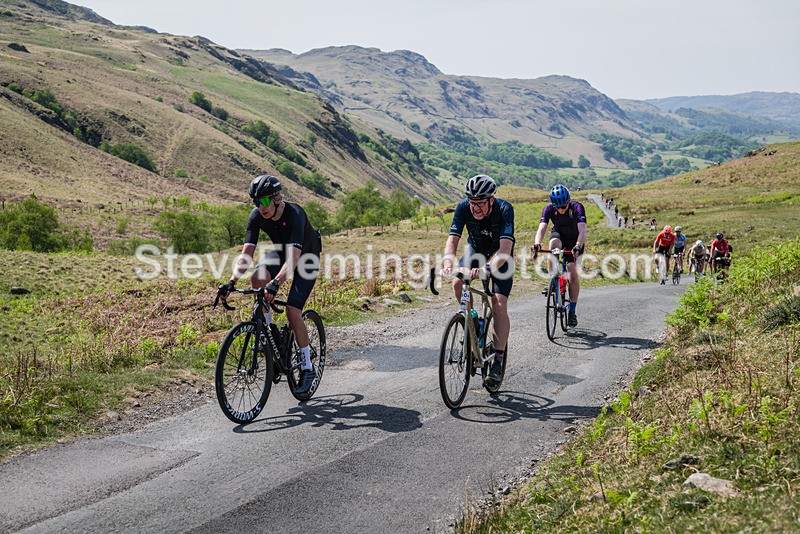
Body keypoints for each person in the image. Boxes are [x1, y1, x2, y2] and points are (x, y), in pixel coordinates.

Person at [217, 174, 323, 395]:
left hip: (307, 258)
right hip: (282, 253)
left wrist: (275, 283)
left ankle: (307, 366)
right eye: (256, 201)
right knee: (257, 278)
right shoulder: (256, 215)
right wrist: (231, 281)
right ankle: (270, 333)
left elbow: (294, 259)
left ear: (277, 198)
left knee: (292, 311)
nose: (260, 206)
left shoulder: (295, 213)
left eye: (264, 201)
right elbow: (247, 254)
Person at [443, 174, 515, 387]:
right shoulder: (463, 207)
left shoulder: (505, 209)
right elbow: (453, 240)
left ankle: (498, 360)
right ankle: (473, 321)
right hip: (476, 251)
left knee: (498, 303)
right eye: (472, 202)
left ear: (491, 200)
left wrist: (487, 269)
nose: (475, 208)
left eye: (481, 203)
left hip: (500, 256)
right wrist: (448, 263)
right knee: (457, 282)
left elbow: (505, 249)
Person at [533, 184, 587, 327]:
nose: (561, 210)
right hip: (559, 236)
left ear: (569, 201)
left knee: (572, 273)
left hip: (574, 241)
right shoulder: (549, 209)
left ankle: (572, 312)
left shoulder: (577, 207)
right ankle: (553, 278)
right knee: (553, 246)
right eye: (558, 207)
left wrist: (578, 246)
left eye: (563, 206)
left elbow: (582, 231)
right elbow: (542, 228)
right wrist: (537, 243)